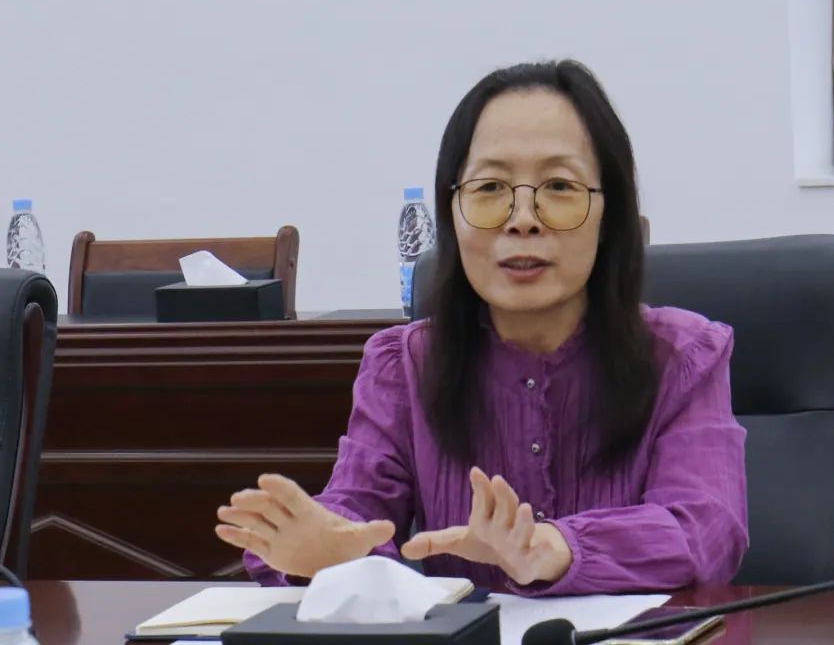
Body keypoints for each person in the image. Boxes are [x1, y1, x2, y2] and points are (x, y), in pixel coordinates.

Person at [215, 60, 748, 596]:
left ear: (609, 216)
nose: (523, 219)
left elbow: (707, 529)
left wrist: (557, 548)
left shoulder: (684, 356)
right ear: (452, 212)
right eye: (490, 186)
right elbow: (357, 516)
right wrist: (327, 548)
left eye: (559, 186)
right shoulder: (404, 365)